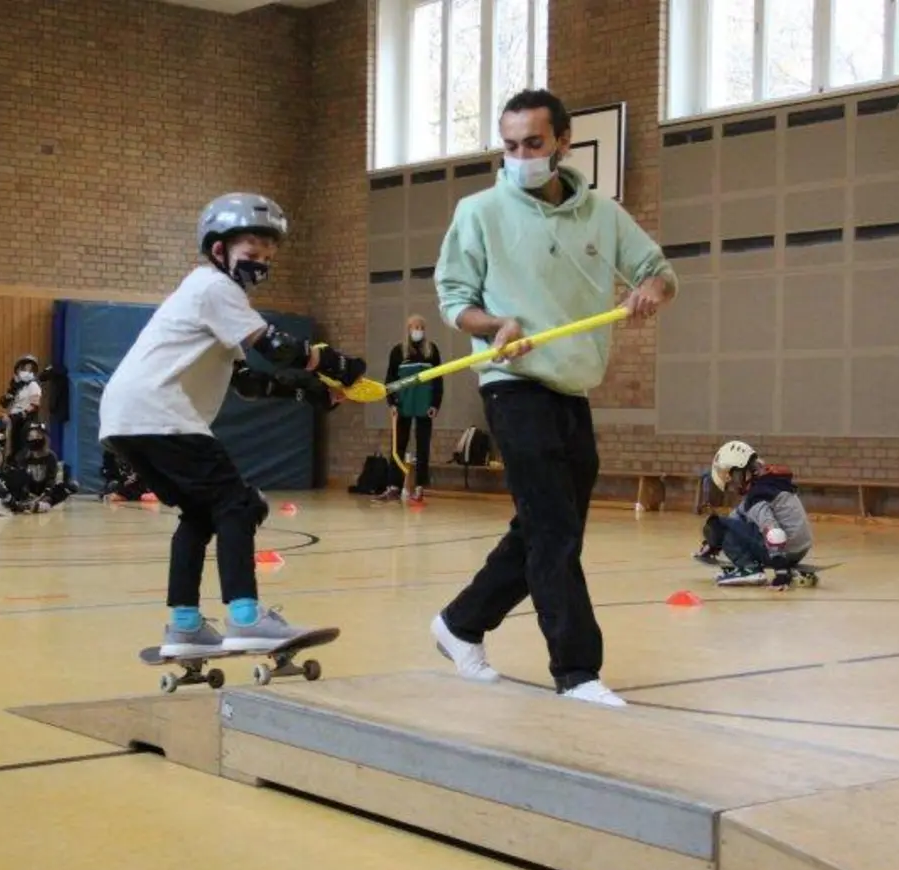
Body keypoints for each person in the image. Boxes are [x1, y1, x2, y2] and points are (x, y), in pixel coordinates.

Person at [427, 89, 678, 707]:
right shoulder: (479, 211)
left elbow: (658, 271)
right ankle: (577, 671)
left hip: (572, 388)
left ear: (563, 142)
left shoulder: (603, 214)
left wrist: (651, 288)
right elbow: (455, 299)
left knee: (546, 527)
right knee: (555, 532)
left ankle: (460, 623)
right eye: (510, 146)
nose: (520, 157)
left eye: (533, 144)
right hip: (513, 385)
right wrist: (495, 326)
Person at [98, 192, 367, 657]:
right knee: (238, 505)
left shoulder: (211, 297)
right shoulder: (214, 288)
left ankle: (185, 626)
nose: (260, 263)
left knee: (200, 514)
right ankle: (246, 618)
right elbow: (277, 348)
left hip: (127, 418)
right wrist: (335, 364)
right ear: (219, 249)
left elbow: (250, 381)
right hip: (161, 412)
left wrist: (314, 392)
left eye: (268, 257)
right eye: (252, 252)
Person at [695, 440, 813, 587]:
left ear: (741, 473)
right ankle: (764, 563)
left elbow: (771, 528)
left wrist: (780, 570)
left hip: (783, 552)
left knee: (716, 524)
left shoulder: (757, 496)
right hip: (799, 549)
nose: (733, 486)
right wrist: (712, 543)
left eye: (733, 479)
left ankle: (749, 568)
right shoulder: (769, 484)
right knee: (726, 525)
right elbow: (738, 516)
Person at [381, 314, 443, 502]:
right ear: (408, 329)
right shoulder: (398, 351)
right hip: (403, 404)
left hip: (424, 405)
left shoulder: (432, 351)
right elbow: (390, 380)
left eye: (421, 327)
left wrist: (435, 404)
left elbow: (438, 379)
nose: (418, 331)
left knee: (423, 446)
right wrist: (392, 403)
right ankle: (393, 487)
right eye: (415, 327)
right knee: (398, 445)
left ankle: (419, 487)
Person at [6, 421, 79, 512]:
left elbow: (52, 479)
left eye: (37, 436)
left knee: (72, 485)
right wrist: (27, 495)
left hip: (45, 492)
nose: (34, 439)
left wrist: (46, 494)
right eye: (31, 436)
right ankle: (29, 504)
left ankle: (45, 503)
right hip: (27, 493)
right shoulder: (22, 456)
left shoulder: (51, 457)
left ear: (44, 438)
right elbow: (19, 479)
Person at [0, 354, 43, 464]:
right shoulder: (17, 386)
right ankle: (7, 462)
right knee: (5, 438)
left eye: (30, 370)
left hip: (26, 419)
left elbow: (34, 405)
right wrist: (6, 398)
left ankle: (20, 463)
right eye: (24, 369)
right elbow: (6, 403)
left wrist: (22, 413)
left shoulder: (33, 385)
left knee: (22, 443)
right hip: (14, 418)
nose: (27, 372)